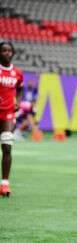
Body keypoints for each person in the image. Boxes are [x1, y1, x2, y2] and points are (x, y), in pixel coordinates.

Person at [0, 42, 23, 197]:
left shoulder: (17, 73)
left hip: (8, 114)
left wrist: (18, 101)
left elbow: (20, 88)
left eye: (9, 50)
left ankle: (4, 184)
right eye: (4, 50)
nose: (7, 53)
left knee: (7, 146)